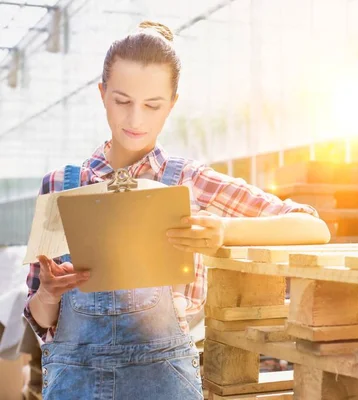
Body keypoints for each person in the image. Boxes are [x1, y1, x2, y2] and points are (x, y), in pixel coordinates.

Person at [23, 21, 330, 400]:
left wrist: (223, 231)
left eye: (152, 105)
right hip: (75, 383)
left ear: (172, 104)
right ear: (102, 94)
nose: (136, 120)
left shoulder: (188, 181)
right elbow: (39, 318)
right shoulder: (60, 187)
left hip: (163, 383)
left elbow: (311, 227)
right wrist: (50, 294)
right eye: (122, 101)